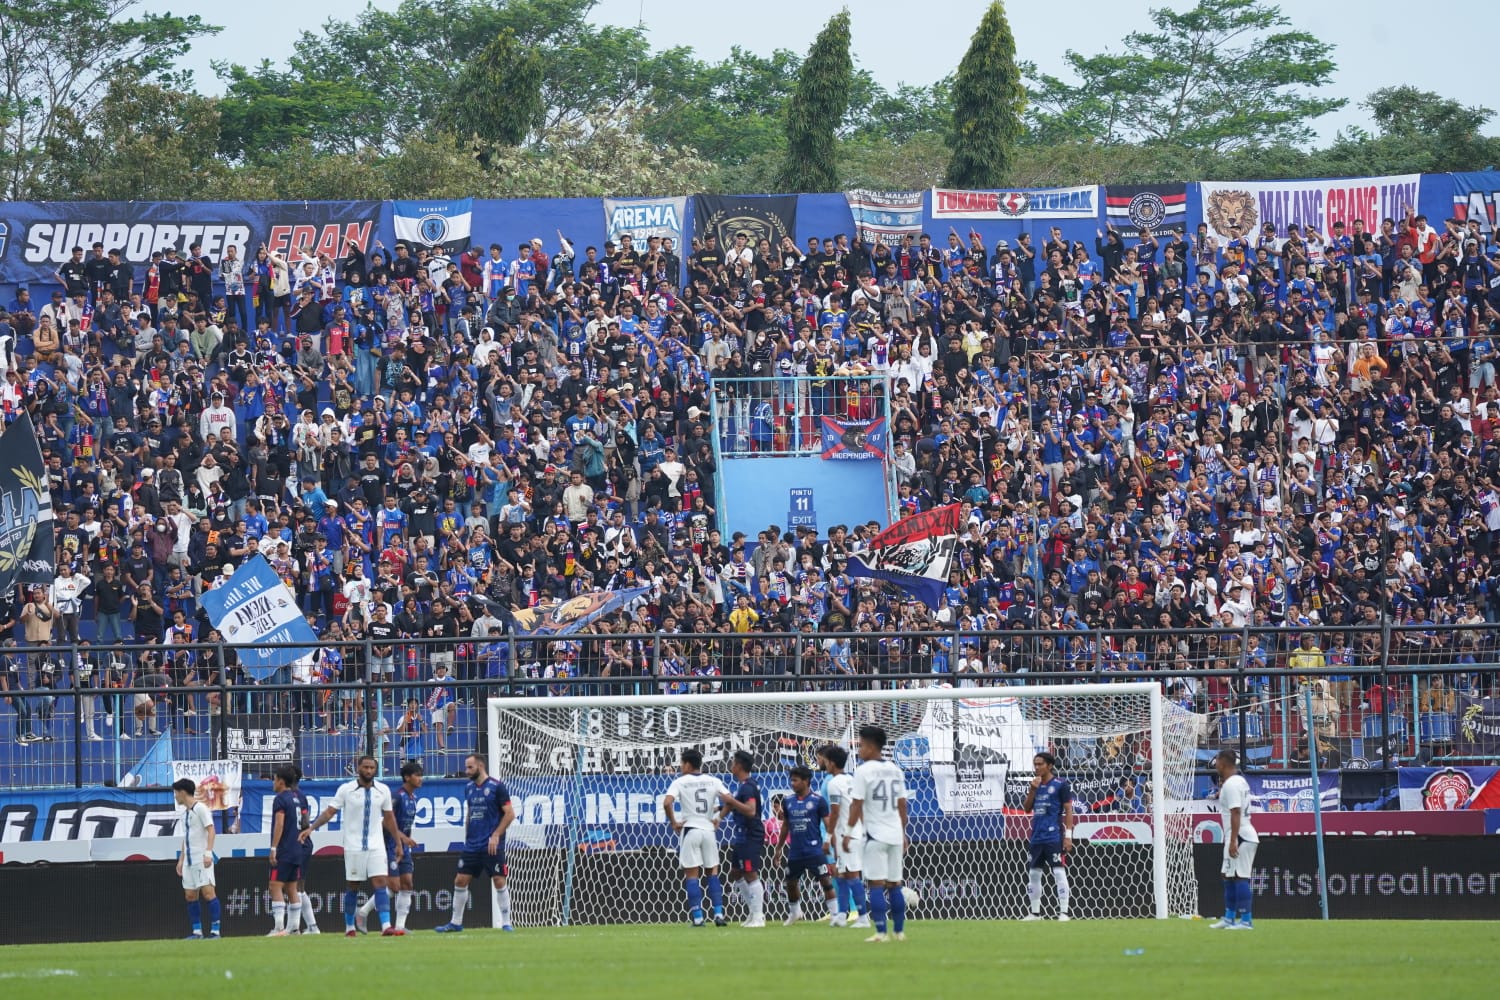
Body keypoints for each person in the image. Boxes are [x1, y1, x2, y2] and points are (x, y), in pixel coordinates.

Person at [301, 755, 402, 937]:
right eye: (365, 767)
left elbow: (389, 818)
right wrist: (312, 828)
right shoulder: (346, 790)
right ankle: (349, 927)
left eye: (372, 768)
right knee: (353, 885)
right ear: (358, 768)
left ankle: (386, 925)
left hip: (376, 845)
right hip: (353, 845)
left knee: (380, 883)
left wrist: (398, 842)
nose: (369, 771)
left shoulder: (383, 790)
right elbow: (330, 812)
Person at [435, 752, 516, 932]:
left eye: (470, 767)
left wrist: (496, 835)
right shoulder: (469, 788)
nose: (467, 771)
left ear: (480, 766)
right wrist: (467, 838)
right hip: (472, 845)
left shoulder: (497, 787)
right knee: (461, 879)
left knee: (499, 880)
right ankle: (455, 923)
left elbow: (510, 814)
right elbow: (470, 814)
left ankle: (506, 923)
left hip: (491, 844)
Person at [846, 724, 908, 943]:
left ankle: (881, 932)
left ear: (871, 747)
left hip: (874, 835)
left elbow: (856, 805)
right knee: (895, 885)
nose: (859, 750)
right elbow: (902, 805)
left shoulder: (863, 771)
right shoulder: (895, 769)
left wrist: (847, 833)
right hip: (895, 836)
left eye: (861, 745)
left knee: (875, 885)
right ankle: (899, 932)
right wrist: (903, 833)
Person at [662, 747, 729, 927]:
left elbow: (667, 802)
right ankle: (718, 914)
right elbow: (729, 800)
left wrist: (674, 822)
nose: (680, 767)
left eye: (682, 763)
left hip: (690, 829)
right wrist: (719, 817)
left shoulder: (680, 782)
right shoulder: (713, 781)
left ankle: (698, 918)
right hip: (708, 831)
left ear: (688, 764)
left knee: (692, 875)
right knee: (712, 874)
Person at [359, 760, 422, 933]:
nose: (420, 779)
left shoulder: (413, 798)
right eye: (417, 775)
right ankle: (363, 911)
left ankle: (400, 927)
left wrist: (406, 841)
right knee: (394, 887)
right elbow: (386, 822)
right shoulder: (397, 797)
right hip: (391, 845)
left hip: (404, 846)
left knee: (407, 884)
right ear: (407, 778)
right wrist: (402, 839)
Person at [817, 743, 868, 928]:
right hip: (853, 833)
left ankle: (862, 916)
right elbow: (858, 806)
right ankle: (840, 914)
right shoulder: (852, 780)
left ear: (831, 763)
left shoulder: (833, 784)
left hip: (846, 835)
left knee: (851, 875)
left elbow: (835, 813)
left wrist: (827, 838)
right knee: (840, 873)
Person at [778, 765, 835, 926]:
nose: (792, 783)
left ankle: (836, 914)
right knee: (790, 881)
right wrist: (778, 848)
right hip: (795, 851)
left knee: (825, 881)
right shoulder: (788, 801)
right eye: (791, 780)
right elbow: (785, 826)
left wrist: (827, 842)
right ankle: (795, 912)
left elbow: (828, 824)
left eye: (795, 780)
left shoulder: (818, 801)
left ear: (806, 781)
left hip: (814, 850)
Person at [1021, 751, 1074, 921]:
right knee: (1034, 875)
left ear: (1049, 765)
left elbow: (1068, 810)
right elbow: (1027, 809)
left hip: (1054, 836)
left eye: (1040, 764)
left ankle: (1064, 913)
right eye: (1035, 764)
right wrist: (1032, 790)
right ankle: (1035, 913)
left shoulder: (1060, 784)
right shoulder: (1035, 785)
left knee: (1058, 872)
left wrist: (1068, 836)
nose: (1037, 767)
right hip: (1036, 836)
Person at [717, 748, 767, 927]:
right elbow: (734, 805)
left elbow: (751, 810)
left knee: (750, 873)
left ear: (738, 766)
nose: (731, 766)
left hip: (750, 834)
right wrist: (719, 814)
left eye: (733, 763)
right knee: (736, 872)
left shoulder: (748, 787)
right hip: (741, 834)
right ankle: (752, 913)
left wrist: (730, 801)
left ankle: (758, 916)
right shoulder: (744, 786)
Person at [1211, 748, 1258, 930]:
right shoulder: (1239, 781)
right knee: (1228, 876)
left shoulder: (1231, 785)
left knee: (1239, 877)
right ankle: (1229, 918)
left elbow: (1236, 811)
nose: (1215, 765)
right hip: (1236, 834)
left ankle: (1246, 920)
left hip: (1240, 836)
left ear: (1223, 763)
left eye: (1217, 761)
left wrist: (1233, 840)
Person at [172, 777, 220, 939]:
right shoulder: (185, 814)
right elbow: (187, 837)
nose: (175, 796)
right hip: (188, 860)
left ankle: (215, 931)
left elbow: (211, 830)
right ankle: (197, 932)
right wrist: (181, 859)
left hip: (201, 858)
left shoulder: (200, 808)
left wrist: (208, 853)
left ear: (183, 792)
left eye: (176, 793)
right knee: (190, 895)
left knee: (208, 893)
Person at [266, 764, 310, 936]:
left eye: (274, 779)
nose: (273, 782)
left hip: (284, 848)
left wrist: (273, 848)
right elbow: (305, 822)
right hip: (297, 848)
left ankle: (278, 927)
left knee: (275, 886)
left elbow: (280, 824)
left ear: (281, 781)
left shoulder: (281, 799)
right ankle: (293, 927)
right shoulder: (297, 797)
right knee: (292, 888)